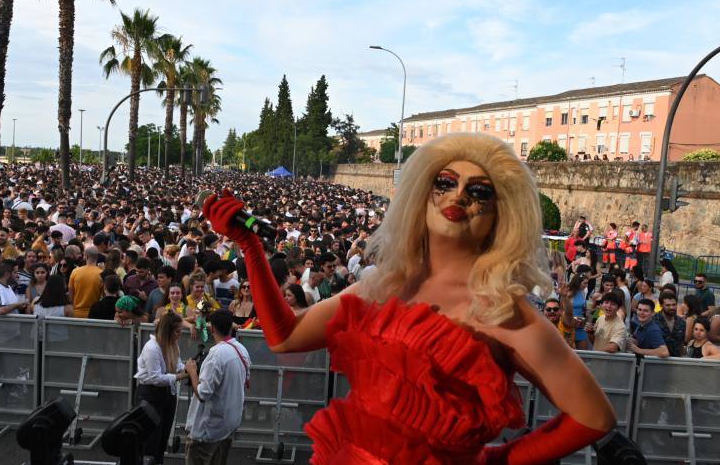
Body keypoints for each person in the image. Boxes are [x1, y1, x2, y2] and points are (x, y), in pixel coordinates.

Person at [203, 132, 628, 463]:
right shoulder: (382, 285)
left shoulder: (506, 315)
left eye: (479, 191)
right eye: (445, 182)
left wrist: (498, 459)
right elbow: (285, 336)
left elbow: (593, 416)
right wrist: (250, 248)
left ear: (504, 214)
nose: (458, 196)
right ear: (420, 193)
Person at [185, 310, 250, 465]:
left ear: (212, 329)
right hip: (227, 424)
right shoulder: (241, 349)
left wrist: (192, 372)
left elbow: (203, 394)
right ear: (230, 327)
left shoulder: (216, 354)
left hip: (209, 429)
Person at [134, 312, 189, 465]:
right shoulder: (152, 348)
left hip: (167, 394)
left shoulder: (172, 344)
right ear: (168, 331)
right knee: (151, 439)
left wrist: (189, 368)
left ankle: (158, 461)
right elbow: (155, 378)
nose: (180, 334)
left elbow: (177, 365)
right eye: (177, 331)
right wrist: (181, 376)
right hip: (150, 395)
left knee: (163, 437)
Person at [68, 247, 103, 318]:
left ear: (86, 256)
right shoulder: (101, 274)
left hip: (76, 313)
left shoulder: (75, 272)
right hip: (93, 314)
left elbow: (71, 296)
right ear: (97, 257)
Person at [654, 291, 686, 357]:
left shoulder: (681, 322)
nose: (671, 307)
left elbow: (681, 344)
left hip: (675, 361)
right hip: (657, 360)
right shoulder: (653, 320)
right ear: (661, 305)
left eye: (674, 305)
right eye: (668, 305)